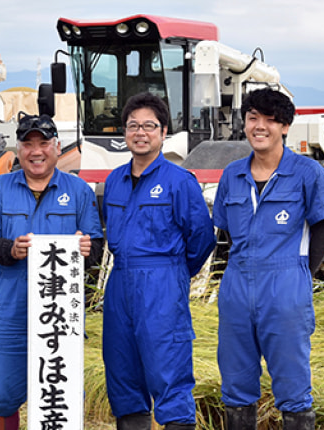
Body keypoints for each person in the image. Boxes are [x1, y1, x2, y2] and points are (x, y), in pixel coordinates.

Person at [211, 88, 324, 430]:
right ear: (245, 124)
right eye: (253, 119)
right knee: (235, 384)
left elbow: (323, 232)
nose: (259, 126)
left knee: (293, 386)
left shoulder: (308, 174)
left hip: (285, 287)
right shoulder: (232, 175)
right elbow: (223, 235)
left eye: (270, 120)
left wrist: (297, 277)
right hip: (237, 288)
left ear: (285, 127)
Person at [0, 113, 104, 430]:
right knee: (3, 394)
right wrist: (10, 250)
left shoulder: (79, 191)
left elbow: (96, 248)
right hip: (11, 309)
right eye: (28, 143)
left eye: (43, 143)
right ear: (18, 149)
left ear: (57, 147)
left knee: (60, 395)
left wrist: (86, 249)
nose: (36, 151)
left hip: (61, 317)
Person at [100, 92, 216, 430]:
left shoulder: (180, 182)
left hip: (162, 286)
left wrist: (176, 275)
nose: (140, 133)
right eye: (132, 126)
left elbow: (202, 238)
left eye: (149, 126)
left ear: (163, 132)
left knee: (169, 373)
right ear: (124, 133)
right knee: (122, 374)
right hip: (119, 283)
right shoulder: (114, 181)